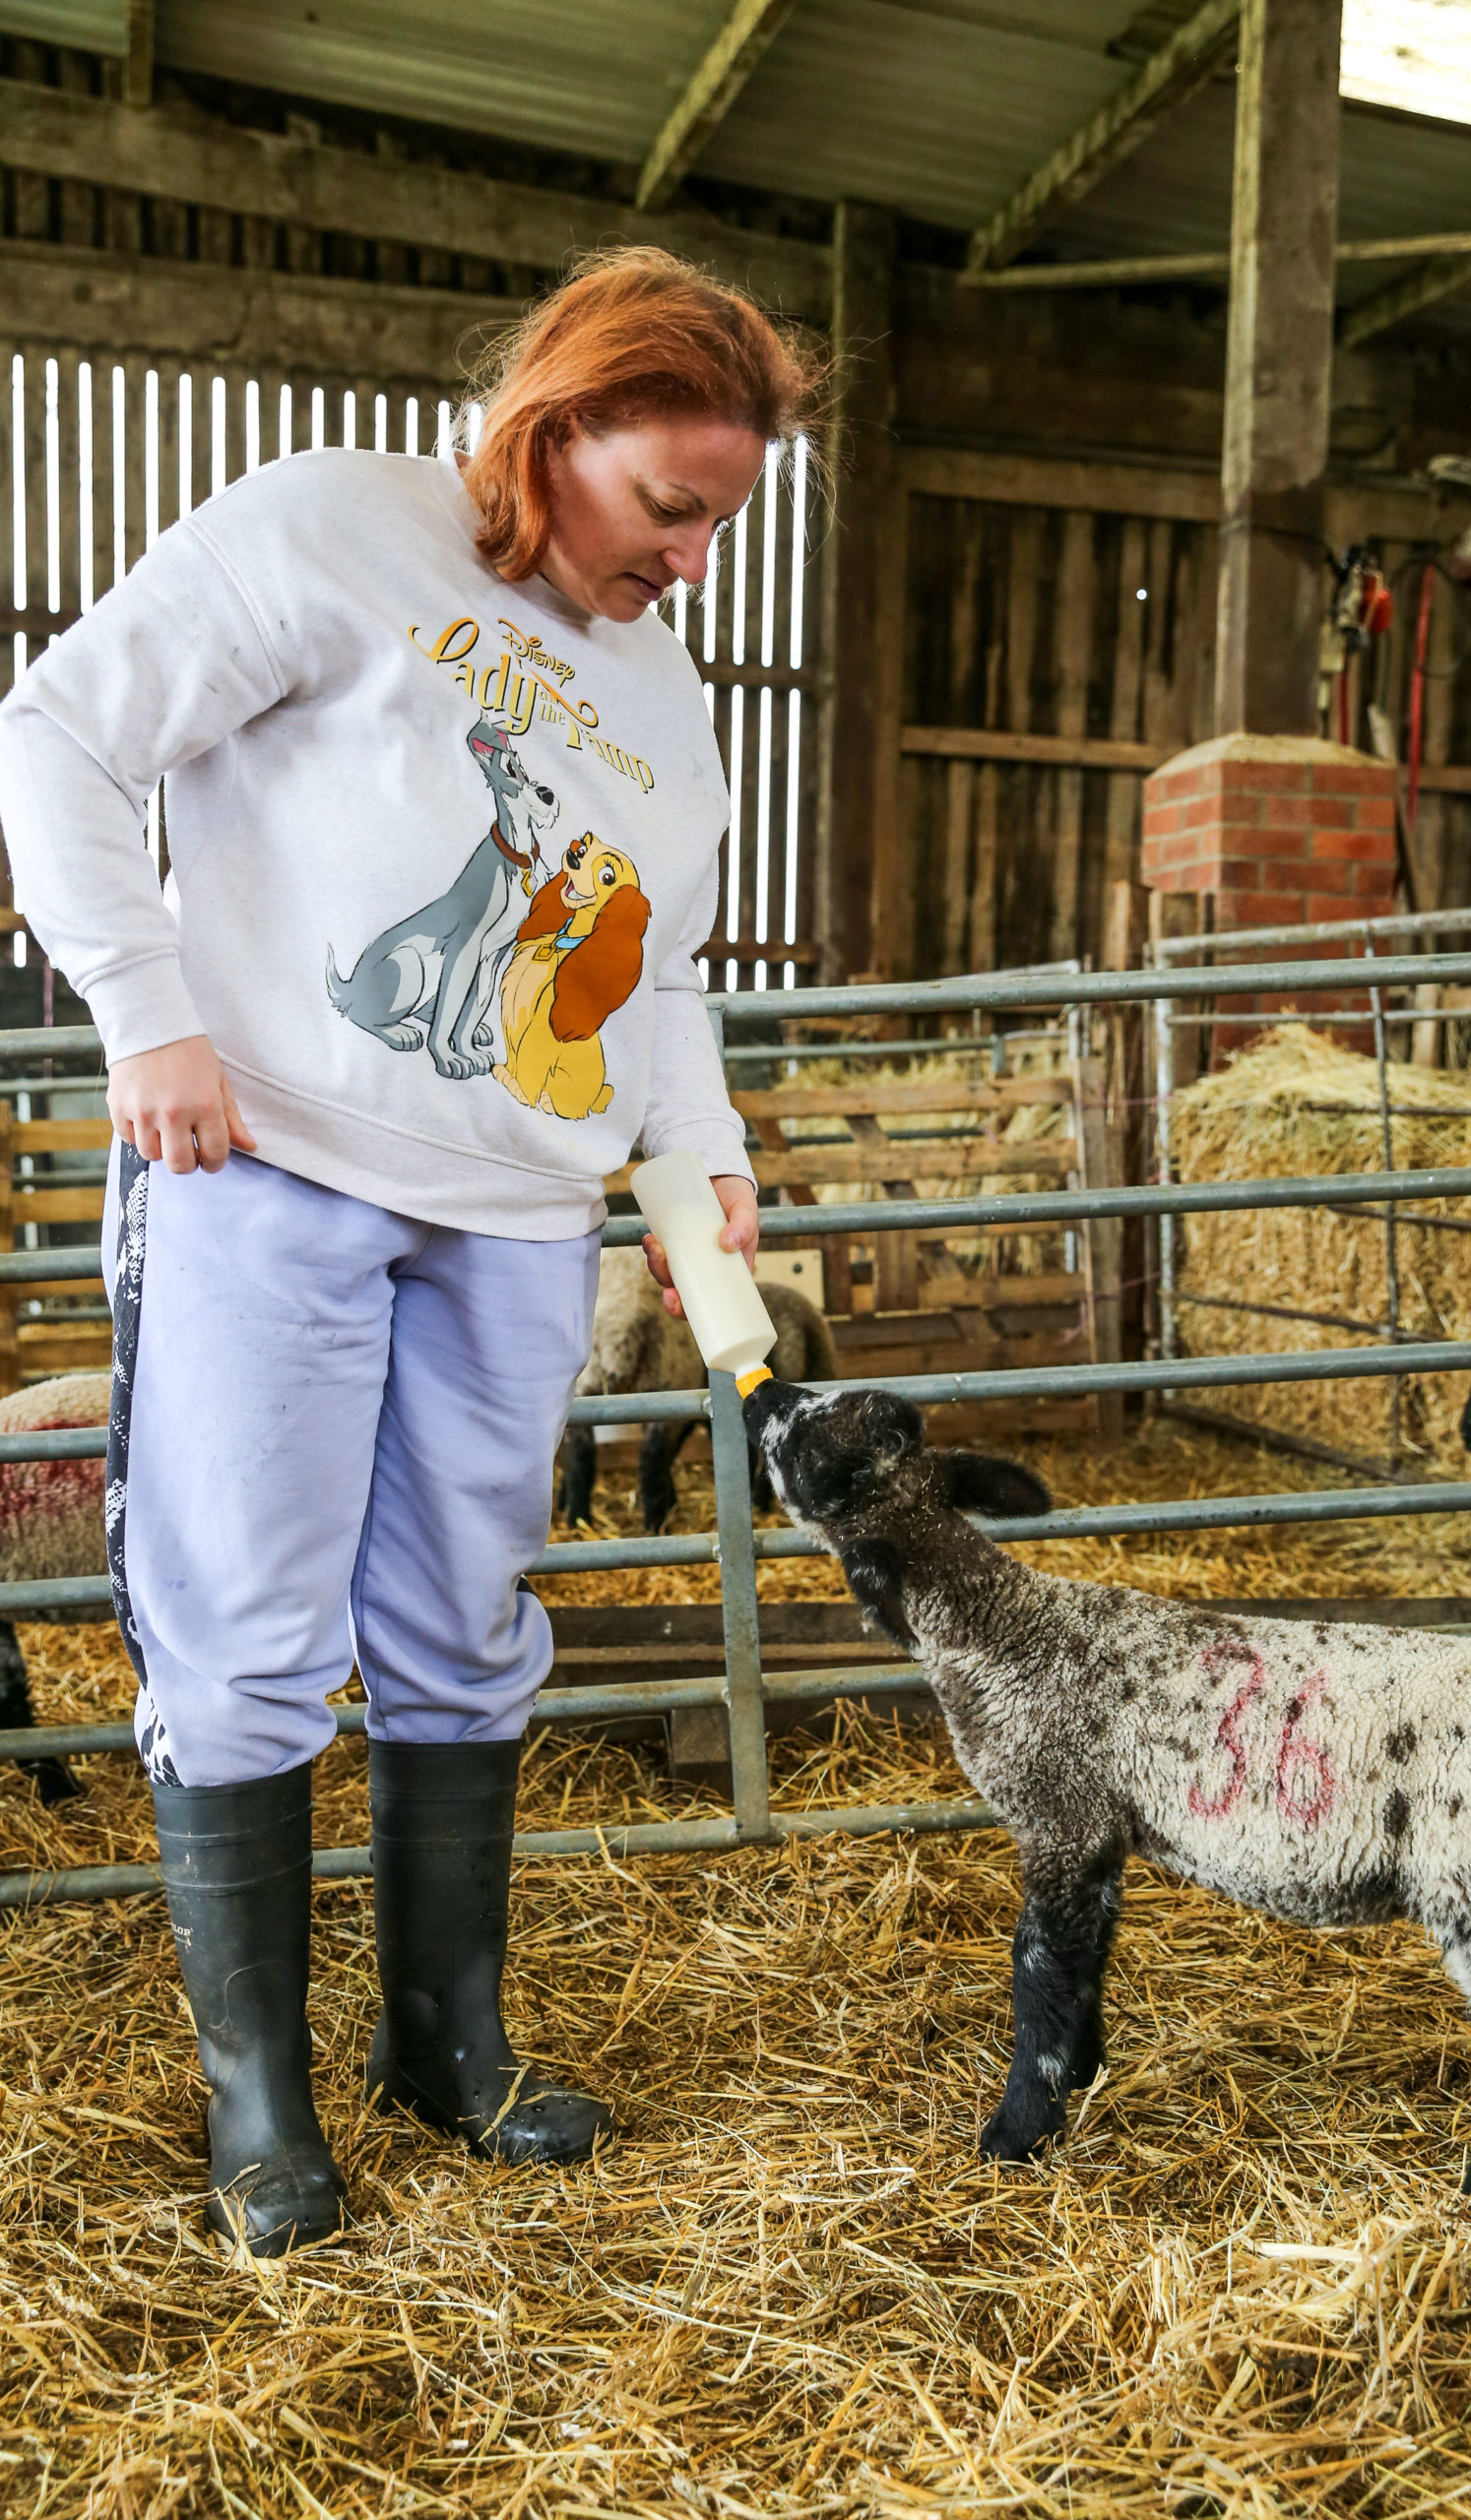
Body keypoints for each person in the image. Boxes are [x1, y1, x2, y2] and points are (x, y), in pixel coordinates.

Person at [0, 247, 823, 2256]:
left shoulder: (656, 680)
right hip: (266, 1160)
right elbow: (58, 733)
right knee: (253, 1619)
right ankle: (260, 2095)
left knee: (463, 1617)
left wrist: (698, 1148)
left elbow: (661, 962)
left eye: (720, 514)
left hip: (520, 1211)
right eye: (669, 505)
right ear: (557, 432)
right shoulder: (328, 525)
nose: (693, 557)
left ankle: (445, 2042)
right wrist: (145, 1011)